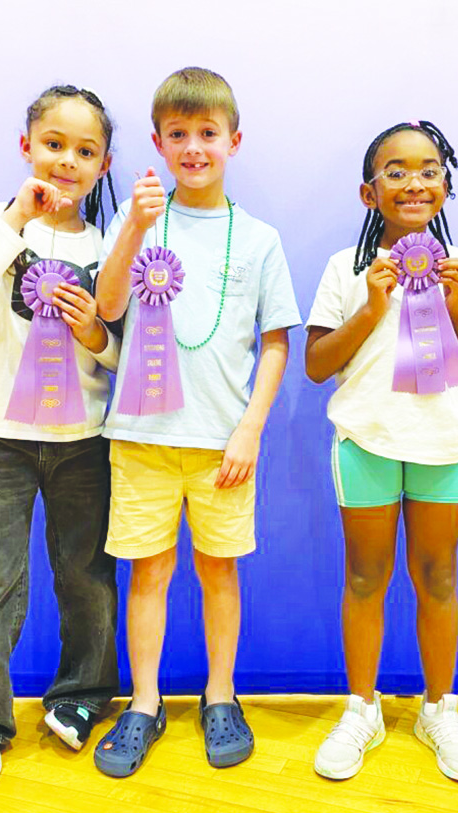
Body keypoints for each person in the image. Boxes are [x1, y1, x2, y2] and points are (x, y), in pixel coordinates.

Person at [92, 66, 300, 777]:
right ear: (157, 142)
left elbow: (277, 341)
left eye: (207, 133)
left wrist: (251, 427)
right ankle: (144, 702)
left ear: (233, 140)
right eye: (177, 134)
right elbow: (110, 307)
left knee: (219, 574)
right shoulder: (139, 217)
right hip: (142, 439)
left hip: (223, 445)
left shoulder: (260, 239)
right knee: (147, 574)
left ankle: (220, 694)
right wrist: (135, 229)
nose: (193, 147)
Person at [305, 121, 458, 782]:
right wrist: (370, 305)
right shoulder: (345, 268)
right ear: (369, 191)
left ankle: (438, 707)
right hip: (366, 442)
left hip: (445, 444)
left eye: (427, 169)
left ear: (444, 187)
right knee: (364, 576)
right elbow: (315, 363)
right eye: (395, 170)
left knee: (439, 577)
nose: (413, 181)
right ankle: (360, 707)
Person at [0, 85, 121, 788]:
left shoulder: (108, 245)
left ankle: (81, 695)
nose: (67, 160)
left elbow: (121, 352)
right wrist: (18, 216)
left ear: (102, 165)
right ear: (27, 148)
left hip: (84, 440)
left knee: (85, 577)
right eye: (54, 144)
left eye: (84, 150)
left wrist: (93, 333)